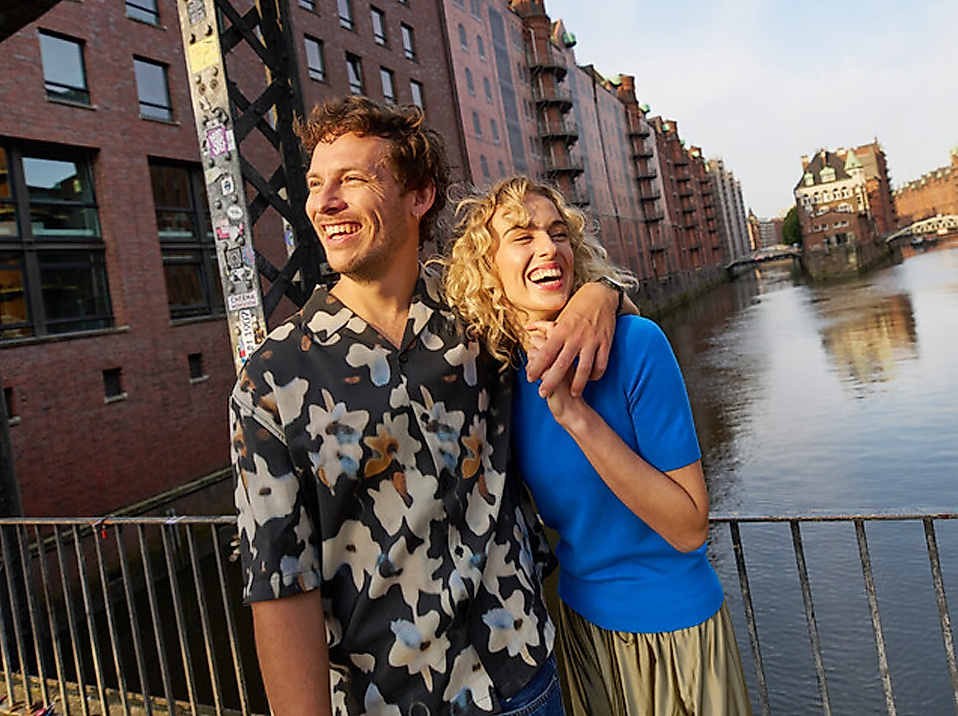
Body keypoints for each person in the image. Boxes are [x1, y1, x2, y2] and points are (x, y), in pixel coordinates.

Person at [229, 96, 623, 715]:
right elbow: (281, 588)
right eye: (314, 184)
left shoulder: (478, 325)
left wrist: (600, 294)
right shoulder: (272, 380)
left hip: (523, 683)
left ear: (419, 197)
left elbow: (553, 279)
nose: (323, 202)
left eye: (352, 179)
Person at [442, 176, 752, 716]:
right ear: (488, 270)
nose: (548, 248)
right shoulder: (499, 376)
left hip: (673, 632)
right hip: (575, 633)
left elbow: (689, 526)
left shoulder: (637, 347)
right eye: (522, 236)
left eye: (559, 233)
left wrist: (576, 415)